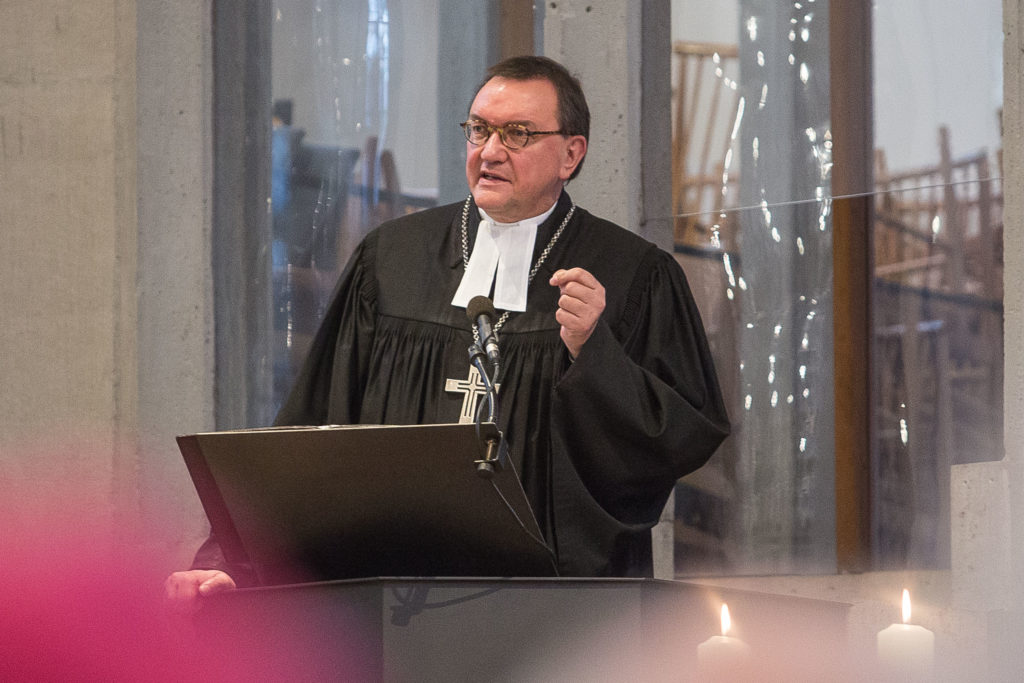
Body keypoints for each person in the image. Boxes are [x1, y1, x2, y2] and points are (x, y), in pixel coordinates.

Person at [165, 55, 730, 611]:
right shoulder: (391, 260)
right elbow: (309, 429)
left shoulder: (634, 276)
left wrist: (593, 355)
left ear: (571, 154)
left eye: (517, 134)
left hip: (557, 610)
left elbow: (679, 439)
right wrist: (232, 562)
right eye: (479, 129)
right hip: (392, 600)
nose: (490, 151)